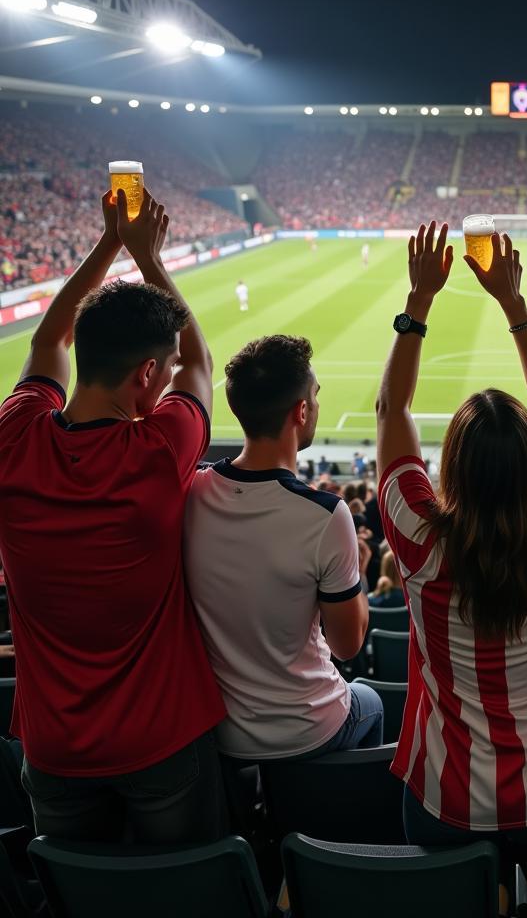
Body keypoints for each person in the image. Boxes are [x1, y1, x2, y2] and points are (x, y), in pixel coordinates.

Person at [376, 222, 527, 898]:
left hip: (445, 795)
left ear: (448, 468)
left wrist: (418, 303)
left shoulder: (419, 541)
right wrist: (514, 304)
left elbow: (392, 407)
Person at [0, 189, 226, 844]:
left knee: (81, 893)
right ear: (149, 372)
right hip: (162, 739)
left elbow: (47, 337)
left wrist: (106, 248)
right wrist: (145, 258)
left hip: (53, 750)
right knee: (177, 890)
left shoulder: (14, 436)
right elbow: (201, 363)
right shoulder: (160, 449)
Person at [185, 335, 381, 764]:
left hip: (218, 728)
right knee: (371, 701)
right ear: (302, 411)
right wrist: (360, 571)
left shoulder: (192, 491)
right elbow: (347, 645)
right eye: (314, 396)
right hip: (307, 726)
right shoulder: (325, 515)